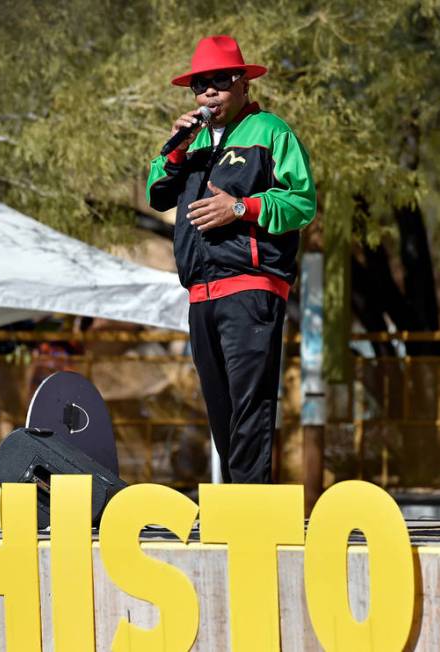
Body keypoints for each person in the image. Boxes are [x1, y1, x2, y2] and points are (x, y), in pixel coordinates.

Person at [147, 35, 316, 483]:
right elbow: (157, 192)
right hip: (201, 292)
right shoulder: (193, 140)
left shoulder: (271, 131)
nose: (208, 93)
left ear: (241, 82)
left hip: (251, 285)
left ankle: (250, 510)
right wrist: (177, 146)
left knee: (250, 404)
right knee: (221, 409)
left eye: (219, 81)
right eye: (200, 85)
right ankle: (240, 500)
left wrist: (240, 208)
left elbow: (302, 202)